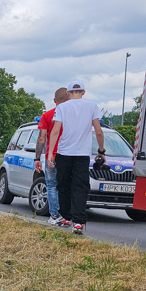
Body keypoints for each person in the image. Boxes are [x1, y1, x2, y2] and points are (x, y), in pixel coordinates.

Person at [46, 81, 105, 235]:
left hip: (64, 152)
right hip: (82, 154)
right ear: (84, 92)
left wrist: (51, 152)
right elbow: (98, 131)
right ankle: (78, 222)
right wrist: (101, 151)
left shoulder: (62, 107)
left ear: (68, 93)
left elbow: (55, 131)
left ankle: (65, 217)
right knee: (80, 187)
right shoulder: (92, 106)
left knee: (63, 185)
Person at [35, 88, 70, 226]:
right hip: (69, 156)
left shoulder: (47, 115)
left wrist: (37, 158)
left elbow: (41, 139)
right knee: (67, 186)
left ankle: (55, 216)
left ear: (55, 101)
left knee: (51, 186)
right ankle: (67, 215)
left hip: (52, 156)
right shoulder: (74, 116)